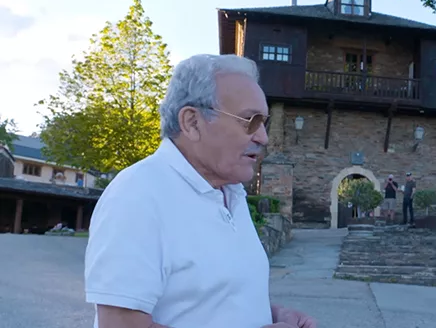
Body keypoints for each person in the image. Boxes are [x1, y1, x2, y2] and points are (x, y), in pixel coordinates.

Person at [85, 54, 317, 328]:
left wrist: (274, 314)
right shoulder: (137, 197)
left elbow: (210, 301)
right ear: (192, 123)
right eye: (249, 121)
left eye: (263, 123)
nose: (263, 138)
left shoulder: (231, 193)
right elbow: (119, 325)